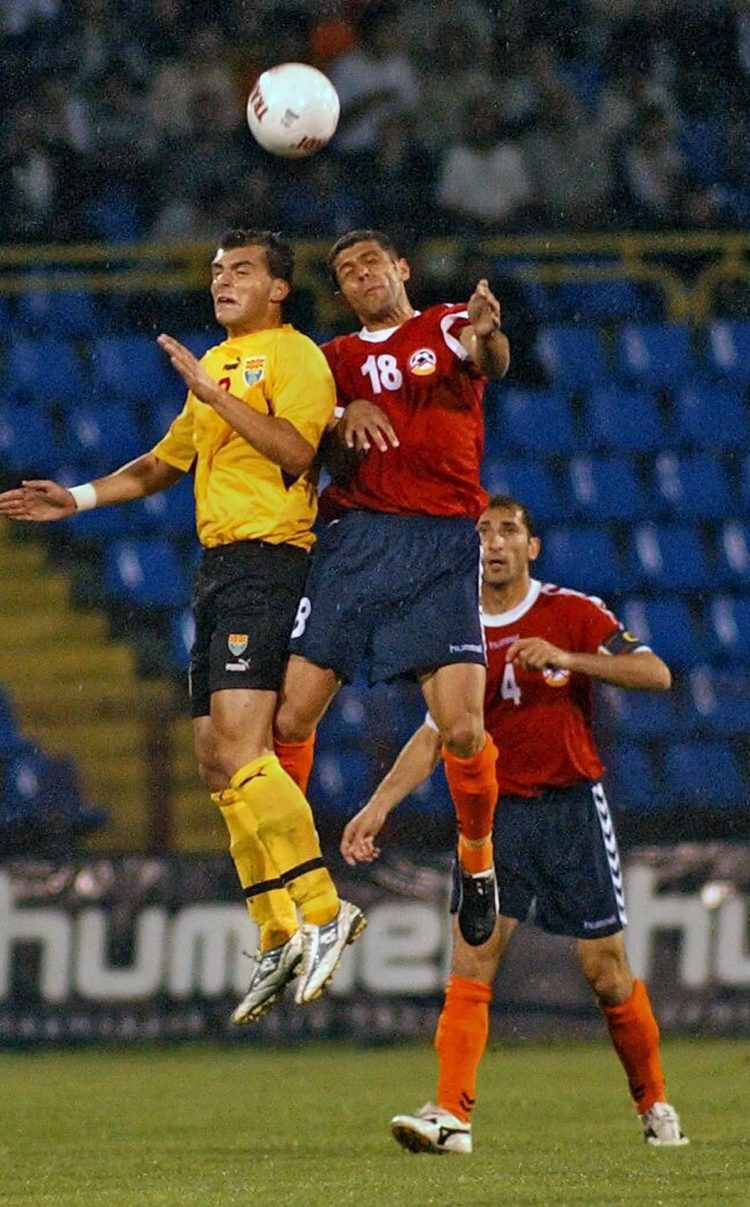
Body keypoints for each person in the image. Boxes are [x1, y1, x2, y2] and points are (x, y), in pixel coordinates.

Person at [0, 228, 365, 1021]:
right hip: (219, 572)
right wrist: (79, 498)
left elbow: (299, 454)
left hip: (272, 559)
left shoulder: (296, 355)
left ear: (278, 288)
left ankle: (325, 907)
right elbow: (163, 463)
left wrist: (215, 393)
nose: (221, 280)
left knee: (244, 747)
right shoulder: (218, 366)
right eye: (215, 270)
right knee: (213, 763)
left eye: (240, 270)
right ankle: (276, 932)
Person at [341, 494, 689, 1153]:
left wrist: (571, 658)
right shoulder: (455, 624)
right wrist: (379, 803)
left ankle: (654, 1105)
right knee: (471, 961)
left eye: (508, 531)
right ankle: (452, 1114)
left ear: (531, 547)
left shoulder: (571, 612)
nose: (494, 542)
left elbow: (656, 673)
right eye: (483, 531)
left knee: (605, 969)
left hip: (570, 810)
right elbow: (437, 731)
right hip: (492, 821)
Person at [272, 228, 510, 968]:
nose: (361, 273)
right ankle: (284, 875)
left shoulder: (443, 325)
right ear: (340, 293)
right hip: (358, 540)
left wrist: (488, 332)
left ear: (401, 268)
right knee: (291, 714)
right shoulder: (335, 359)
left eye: (371, 260)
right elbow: (302, 438)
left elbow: (488, 359)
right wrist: (341, 419)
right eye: (345, 270)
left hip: (441, 545)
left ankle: (476, 861)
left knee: (464, 729)